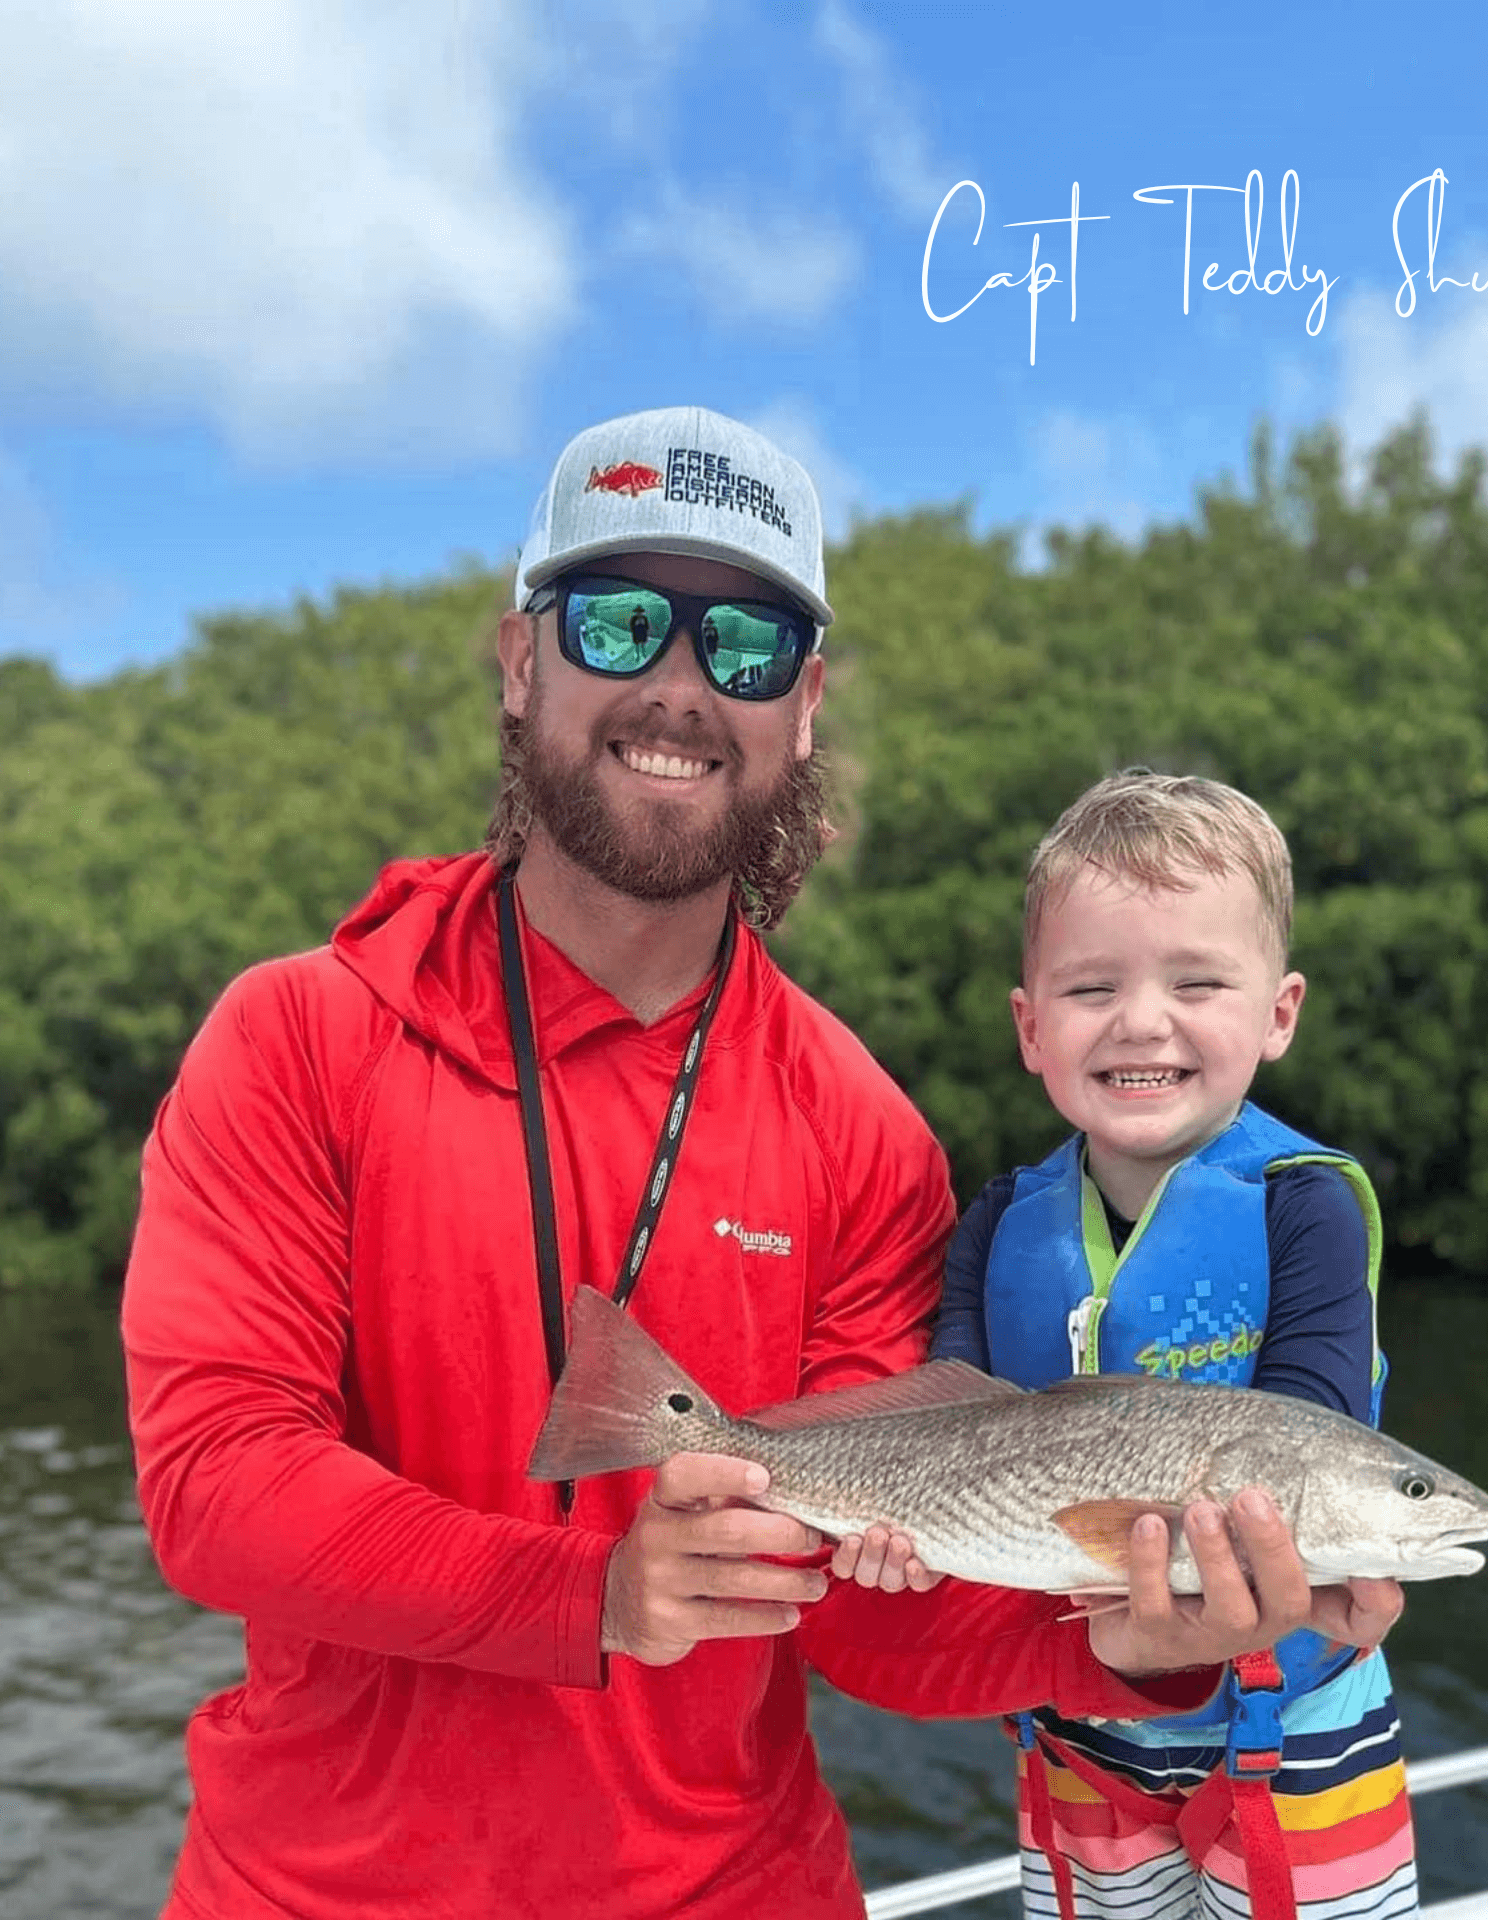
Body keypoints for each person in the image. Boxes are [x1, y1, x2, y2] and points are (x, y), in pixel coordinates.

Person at [120, 408, 1403, 1920]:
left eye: (744, 643)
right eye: (617, 622)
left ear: (802, 709)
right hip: (313, 1893)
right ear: (523, 662)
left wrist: (1125, 1642)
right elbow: (215, 1484)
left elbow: (874, 1609)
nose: (678, 685)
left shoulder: (861, 1132)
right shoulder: (301, 1037)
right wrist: (588, 1594)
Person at [875, 769, 1413, 1920]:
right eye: (1091, 986)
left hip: (1293, 1722)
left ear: (1280, 1012)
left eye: (1198, 980)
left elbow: (1304, 1444)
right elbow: (944, 1424)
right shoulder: (992, 1222)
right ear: (1031, 1027)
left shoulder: (1299, 1207)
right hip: (1078, 1725)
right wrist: (898, 1538)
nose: (1141, 1019)